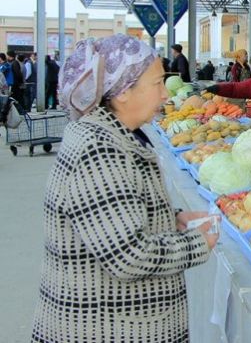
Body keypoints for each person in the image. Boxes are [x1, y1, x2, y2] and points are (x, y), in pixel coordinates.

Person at [32, 34, 217, 342]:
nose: (164, 96)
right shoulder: (98, 150)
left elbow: (109, 213)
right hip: (105, 328)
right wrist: (196, 244)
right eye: (157, 83)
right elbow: (128, 255)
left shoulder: (110, 134)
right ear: (122, 93)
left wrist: (169, 218)